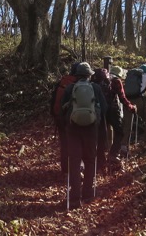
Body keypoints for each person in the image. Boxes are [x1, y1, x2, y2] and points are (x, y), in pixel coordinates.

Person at [61, 62, 107, 209]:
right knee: (90, 160)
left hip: (73, 129)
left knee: (74, 162)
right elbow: (104, 108)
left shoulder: (69, 88)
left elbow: (62, 109)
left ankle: (74, 197)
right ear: (89, 75)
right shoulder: (96, 88)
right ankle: (88, 194)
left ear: (77, 75)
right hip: (91, 129)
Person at [50, 62, 79, 174]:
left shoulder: (62, 81)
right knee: (75, 144)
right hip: (70, 119)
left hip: (59, 117)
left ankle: (65, 169)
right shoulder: (76, 84)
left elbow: (53, 101)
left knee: (64, 144)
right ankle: (73, 170)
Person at [106, 66, 137, 164]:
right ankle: (113, 155)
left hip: (101, 110)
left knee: (103, 133)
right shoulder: (116, 81)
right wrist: (131, 107)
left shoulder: (104, 79)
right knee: (119, 132)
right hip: (113, 110)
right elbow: (122, 97)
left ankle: (101, 157)